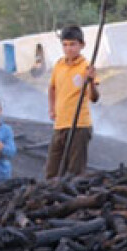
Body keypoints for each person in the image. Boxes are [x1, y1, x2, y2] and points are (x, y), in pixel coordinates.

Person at [45, 25, 99, 179]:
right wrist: (52, 109)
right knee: (52, 170)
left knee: (74, 172)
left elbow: (94, 98)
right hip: (61, 123)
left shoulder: (86, 67)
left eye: (73, 44)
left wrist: (90, 81)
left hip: (79, 125)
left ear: (82, 45)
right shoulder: (59, 64)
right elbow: (52, 88)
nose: (69, 49)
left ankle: (74, 200)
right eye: (65, 45)